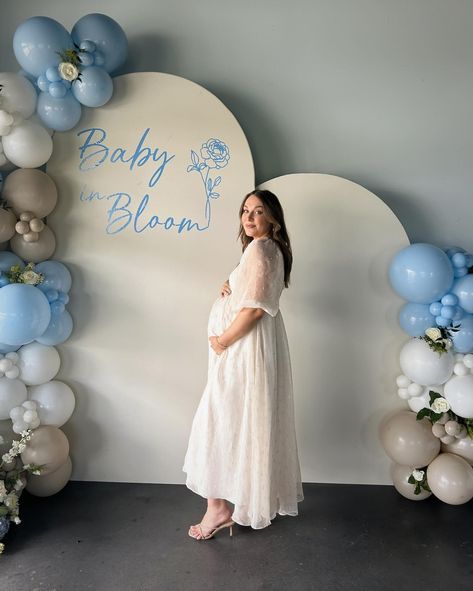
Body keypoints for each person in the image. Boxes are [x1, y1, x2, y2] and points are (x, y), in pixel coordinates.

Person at [182, 189, 304, 540]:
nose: (249, 218)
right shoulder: (259, 250)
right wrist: (231, 284)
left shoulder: (263, 249)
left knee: (221, 419)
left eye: (259, 211)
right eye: (245, 211)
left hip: (243, 350)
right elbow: (250, 294)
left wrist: (222, 340)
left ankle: (217, 509)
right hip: (245, 350)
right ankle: (235, 503)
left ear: (274, 220)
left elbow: (253, 310)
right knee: (237, 419)